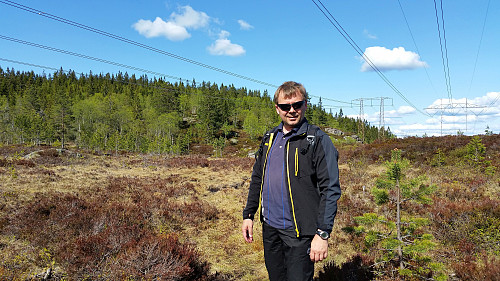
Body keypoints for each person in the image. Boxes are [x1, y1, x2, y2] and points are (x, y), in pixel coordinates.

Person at [242, 81, 342, 281]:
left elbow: (330, 190)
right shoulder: (270, 138)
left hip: (300, 233)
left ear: (305, 105)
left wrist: (322, 234)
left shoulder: (318, 140)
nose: (292, 111)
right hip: (270, 228)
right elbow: (257, 177)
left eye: (297, 105)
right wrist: (249, 214)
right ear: (277, 108)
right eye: (286, 106)